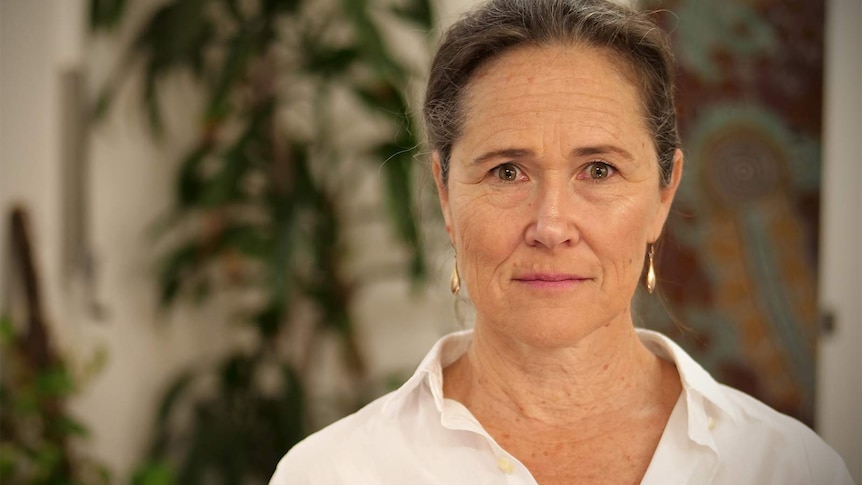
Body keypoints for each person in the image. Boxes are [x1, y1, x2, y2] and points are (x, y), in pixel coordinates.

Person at [269, 0, 855, 483]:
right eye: (506, 172)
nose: (551, 226)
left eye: (598, 170)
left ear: (663, 195)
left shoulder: (790, 468)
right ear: (445, 195)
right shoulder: (332, 472)